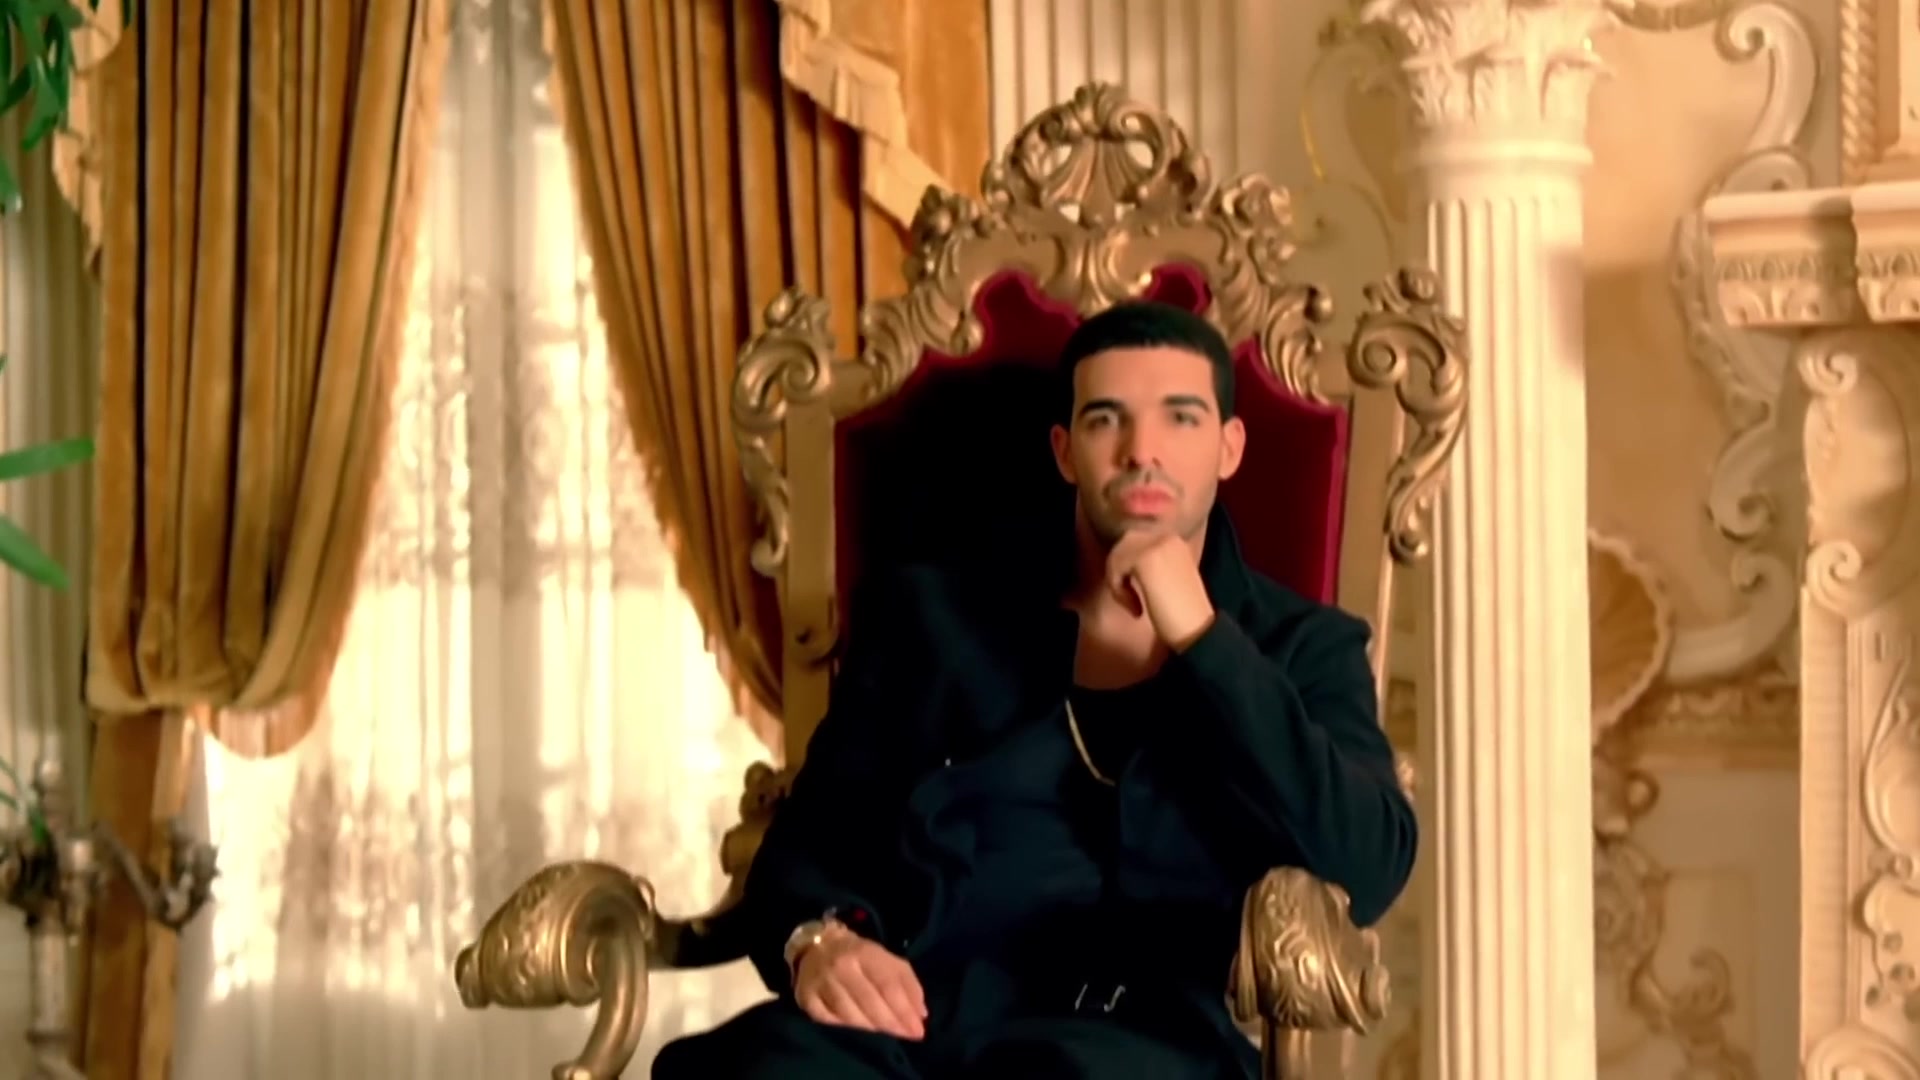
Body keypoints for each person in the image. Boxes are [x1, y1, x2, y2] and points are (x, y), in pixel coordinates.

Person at [654, 302, 1416, 1079]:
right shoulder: (935, 619)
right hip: (916, 1016)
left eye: (1181, 418)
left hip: (1147, 1043)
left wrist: (1204, 638)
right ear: (1065, 451)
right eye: (1105, 419)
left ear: (1229, 448)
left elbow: (1367, 863)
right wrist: (819, 942)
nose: (1141, 450)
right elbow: (812, 841)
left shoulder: (1306, 646)